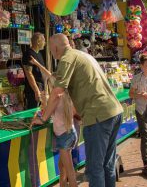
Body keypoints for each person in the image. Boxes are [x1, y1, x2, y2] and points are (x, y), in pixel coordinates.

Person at [31, 34, 123, 187]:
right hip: (113, 111)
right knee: (107, 164)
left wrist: (43, 117)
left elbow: (57, 92)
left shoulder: (66, 59)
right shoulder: (83, 55)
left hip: (98, 117)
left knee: (95, 168)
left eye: (50, 50)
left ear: (54, 48)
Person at [29, 56, 78, 187]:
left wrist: (42, 106)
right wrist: (37, 64)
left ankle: (68, 184)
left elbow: (45, 115)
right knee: (62, 166)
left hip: (64, 136)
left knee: (70, 172)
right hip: (71, 134)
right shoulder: (65, 92)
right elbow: (49, 74)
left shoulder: (55, 97)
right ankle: (63, 184)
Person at [129, 54, 147, 176]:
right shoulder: (136, 79)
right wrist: (140, 95)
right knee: (145, 136)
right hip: (141, 110)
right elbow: (131, 94)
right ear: (141, 66)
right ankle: (146, 164)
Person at [22, 32, 46, 109]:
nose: (45, 43)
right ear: (38, 41)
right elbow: (29, 73)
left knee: (40, 112)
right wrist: (36, 91)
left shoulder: (39, 53)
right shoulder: (28, 54)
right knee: (32, 111)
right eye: (44, 41)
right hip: (33, 90)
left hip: (41, 87)